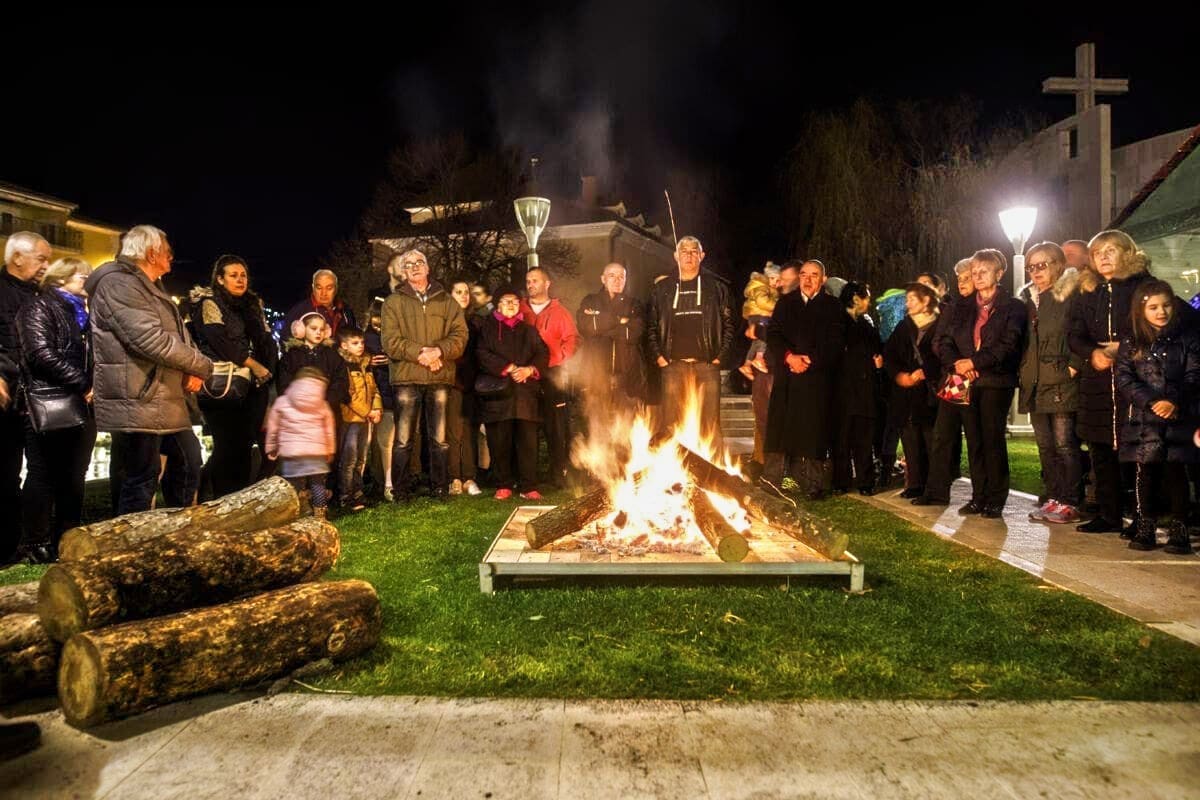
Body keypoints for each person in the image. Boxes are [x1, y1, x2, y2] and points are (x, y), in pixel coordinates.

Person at [86, 225, 213, 514]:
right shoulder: (119, 285)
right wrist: (202, 365)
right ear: (152, 253)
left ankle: (177, 527)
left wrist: (193, 367)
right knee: (141, 475)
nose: (171, 257)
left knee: (188, 459)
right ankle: (132, 536)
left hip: (161, 396)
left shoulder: (148, 285)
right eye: (168, 251)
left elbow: (178, 336)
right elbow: (149, 340)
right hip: (137, 395)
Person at [917, 249, 1027, 517]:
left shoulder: (1013, 307)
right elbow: (945, 341)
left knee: (992, 438)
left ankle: (995, 497)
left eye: (984, 271)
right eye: (974, 272)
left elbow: (1009, 344)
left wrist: (975, 363)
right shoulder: (961, 306)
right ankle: (979, 496)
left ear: (999, 274)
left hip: (995, 381)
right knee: (974, 440)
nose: (977, 276)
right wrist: (958, 364)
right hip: (965, 379)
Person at [1069, 230, 1155, 534]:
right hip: (1098, 378)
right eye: (1097, 252)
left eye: (1110, 250)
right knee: (1101, 447)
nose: (1103, 257)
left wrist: (1125, 349)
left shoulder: (1144, 287)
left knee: (1136, 447)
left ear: (1127, 253)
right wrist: (1092, 353)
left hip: (1135, 376)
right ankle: (1109, 513)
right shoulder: (1088, 291)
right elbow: (1074, 332)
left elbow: (1157, 324)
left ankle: (1142, 515)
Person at [14, 257, 96, 562]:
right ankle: (35, 543)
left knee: (75, 473)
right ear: (61, 278)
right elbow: (40, 354)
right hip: (49, 401)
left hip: (81, 403)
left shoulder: (83, 313)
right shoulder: (38, 307)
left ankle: (67, 537)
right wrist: (84, 383)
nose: (89, 280)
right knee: (43, 473)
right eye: (83, 276)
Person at [1115, 280, 1198, 554]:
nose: (1161, 312)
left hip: (1178, 418)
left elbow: (1194, 375)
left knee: (1177, 473)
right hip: (1144, 420)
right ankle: (1145, 525)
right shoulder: (1132, 342)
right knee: (1146, 473)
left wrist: (1173, 402)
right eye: (1153, 307)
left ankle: (1179, 528)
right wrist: (1151, 401)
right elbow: (1124, 378)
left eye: (1166, 305)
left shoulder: (1188, 338)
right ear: (1141, 310)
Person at [382, 249, 467, 500]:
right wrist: (422, 353)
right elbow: (390, 341)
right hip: (407, 376)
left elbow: (460, 336)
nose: (415, 267)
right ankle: (400, 490)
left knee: (439, 438)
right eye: (409, 264)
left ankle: (439, 487)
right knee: (403, 439)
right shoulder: (393, 302)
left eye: (419, 262)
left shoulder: (447, 301)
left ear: (428, 268)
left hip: (439, 377)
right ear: (403, 272)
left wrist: (439, 351)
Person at [193, 255, 277, 497]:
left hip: (254, 386)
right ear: (220, 279)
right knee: (227, 445)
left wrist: (266, 370)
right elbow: (220, 342)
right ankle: (218, 496)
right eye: (233, 275)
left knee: (244, 445)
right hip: (224, 385)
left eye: (243, 275)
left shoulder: (253, 305)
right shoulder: (210, 303)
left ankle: (238, 498)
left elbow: (266, 340)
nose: (240, 280)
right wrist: (253, 364)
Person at [765, 259, 847, 499]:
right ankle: (772, 480)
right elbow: (774, 335)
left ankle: (813, 484)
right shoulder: (785, 303)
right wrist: (789, 358)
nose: (807, 280)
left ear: (823, 279)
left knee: (814, 431)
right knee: (780, 428)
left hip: (816, 380)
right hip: (787, 377)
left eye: (814, 275)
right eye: (803, 274)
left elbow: (836, 341)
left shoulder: (833, 306)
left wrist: (810, 360)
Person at [646, 236, 734, 447]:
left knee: (710, 424)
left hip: (707, 366)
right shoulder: (662, 289)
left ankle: (713, 465)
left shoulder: (717, 288)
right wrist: (659, 357)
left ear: (702, 256)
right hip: (672, 366)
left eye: (694, 251)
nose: (689, 255)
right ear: (676, 256)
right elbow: (651, 327)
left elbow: (730, 326)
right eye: (684, 251)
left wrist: (720, 357)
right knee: (671, 422)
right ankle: (672, 464)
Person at [1018, 243, 1083, 524]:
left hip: (1060, 381)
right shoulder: (1028, 300)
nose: (1035, 272)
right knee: (1045, 445)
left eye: (1041, 265)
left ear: (1058, 264)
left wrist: (1072, 366)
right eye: (1031, 267)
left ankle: (1071, 500)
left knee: (1064, 444)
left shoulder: (1071, 295)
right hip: (1035, 381)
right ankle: (1054, 496)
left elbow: (1081, 332)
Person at [0, 231, 51, 560]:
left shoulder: (41, 295)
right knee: (4, 472)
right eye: (41, 258)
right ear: (17, 257)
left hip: (34, 397)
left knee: (36, 471)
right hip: (6, 394)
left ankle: (26, 541)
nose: (46, 265)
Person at [476, 286, 549, 500]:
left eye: (515, 301)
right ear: (498, 304)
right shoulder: (487, 328)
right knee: (499, 441)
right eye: (506, 301)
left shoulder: (528, 330)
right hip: (498, 394)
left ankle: (529, 486)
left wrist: (530, 370)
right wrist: (507, 367)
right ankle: (503, 484)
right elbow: (481, 353)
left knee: (528, 442)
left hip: (525, 393)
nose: (511, 305)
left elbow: (542, 353)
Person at [522, 266, 580, 487]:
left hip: (552, 374)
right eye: (528, 281)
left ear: (547, 284)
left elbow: (572, 339)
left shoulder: (560, 312)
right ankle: (529, 474)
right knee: (527, 425)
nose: (530, 285)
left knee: (555, 425)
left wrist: (558, 358)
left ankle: (558, 472)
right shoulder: (520, 309)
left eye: (535, 280)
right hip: (527, 374)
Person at [884, 283, 941, 499]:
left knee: (931, 441)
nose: (907, 303)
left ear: (926, 301)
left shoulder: (940, 325)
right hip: (906, 395)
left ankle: (933, 488)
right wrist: (899, 375)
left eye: (912, 299)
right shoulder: (904, 326)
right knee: (910, 440)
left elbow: (945, 355)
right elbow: (890, 354)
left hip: (930, 395)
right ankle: (914, 484)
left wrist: (925, 372)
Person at [576, 262, 646, 420]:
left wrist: (601, 323)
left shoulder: (634, 304)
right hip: (597, 374)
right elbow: (586, 327)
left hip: (628, 375)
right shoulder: (590, 301)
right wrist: (620, 321)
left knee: (628, 422)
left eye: (621, 277)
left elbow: (636, 332)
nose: (617, 280)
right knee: (598, 423)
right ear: (603, 279)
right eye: (612, 276)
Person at [266, 367, 336, 518]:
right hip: (316, 452)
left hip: (292, 453)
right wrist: (330, 450)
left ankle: (296, 513)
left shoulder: (282, 401)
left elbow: (273, 428)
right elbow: (329, 430)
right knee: (318, 484)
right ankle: (320, 513)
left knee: (294, 485)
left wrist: (272, 446)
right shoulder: (322, 404)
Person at [832, 281, 882, 495]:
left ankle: (865, 480)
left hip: (864, 390)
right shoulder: (837, 323)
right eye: (866, 297)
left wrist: (877, 363)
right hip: (843, 390)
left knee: (864, 437)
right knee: (842, 438)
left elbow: (876, 349)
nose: (868, 302)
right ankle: (841, 481)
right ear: (855, 299)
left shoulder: (866, 324)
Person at [336, 326, 383, 510]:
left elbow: (374, 389)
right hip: (351, 419)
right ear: (344, 345)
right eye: (355, 343)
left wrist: (376, 408)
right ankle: (345, 496)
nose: (360, 346)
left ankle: (357, 492)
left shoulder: (365, 364)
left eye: (362, 342)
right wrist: (367, 411)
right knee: (349, 458)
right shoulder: (344, 366)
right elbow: (349, 395)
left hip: (366, 419)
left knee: (361, 458)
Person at [447, 278, 482, 496]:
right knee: (453, 431)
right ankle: (454, 477)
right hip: (452, 382)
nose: (464, 295)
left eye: (466, 292)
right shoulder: (445, 322)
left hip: (472, 383)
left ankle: (469, 477)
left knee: (469, 431)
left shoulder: (476, 322)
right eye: (458, 292)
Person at [278, 311, 350, 417]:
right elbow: (284, 384)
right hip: (298, 413)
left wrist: (325, 400)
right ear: (301, 329)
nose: (318, 332)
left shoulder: (333, 356)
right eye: (313, 328)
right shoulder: (291, 357)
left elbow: (341, 382)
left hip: (326, 412)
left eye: (322, 329)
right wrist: (301, 402)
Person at [363, 300, 396, 500]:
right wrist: (368, 361)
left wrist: (391, 360)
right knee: (364, 444)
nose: (378, 326)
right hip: (369, 395)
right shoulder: (365, 338)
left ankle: (388, 484)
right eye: (375, 322)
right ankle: (358, 486)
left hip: (389, 393)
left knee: (387, 441)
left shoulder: (394, 335)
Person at [283, 269, 357, 340]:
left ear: (336, 289)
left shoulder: (345, 310)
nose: (323, 293)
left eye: (329, 288)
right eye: (319, 288)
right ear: (313, 288)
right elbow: (285, 340)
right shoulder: (300, 310)